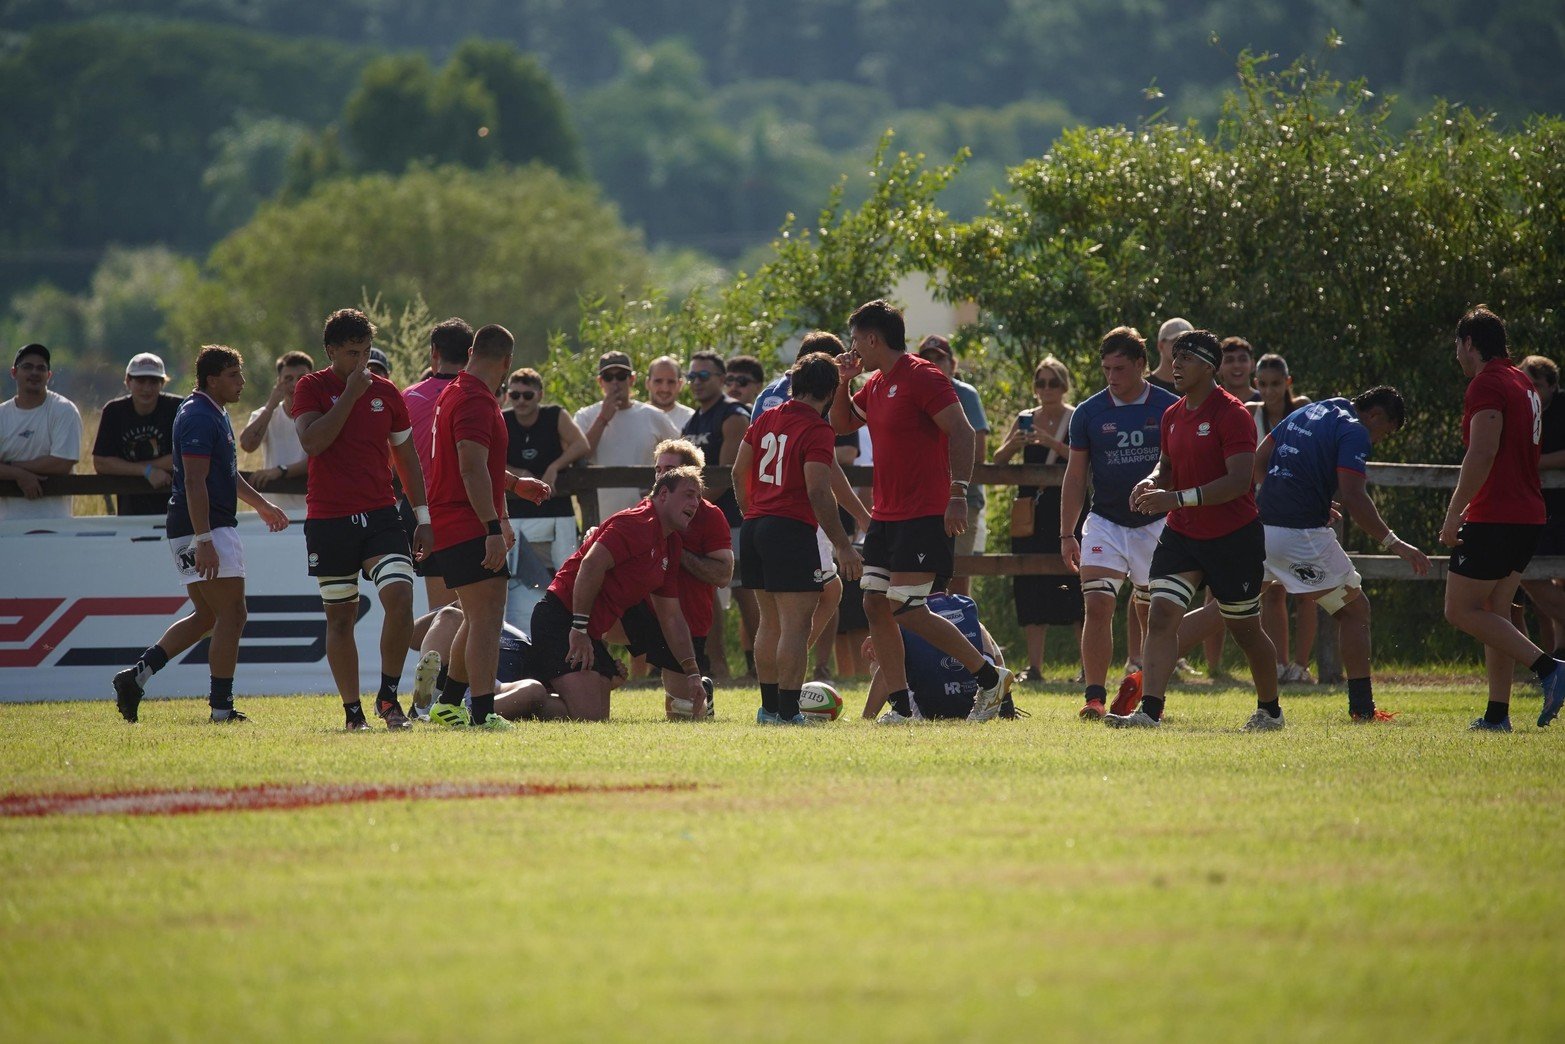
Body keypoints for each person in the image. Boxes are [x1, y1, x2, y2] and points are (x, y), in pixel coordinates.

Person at [1117, 387, 1433, 723]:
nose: (1380, 439)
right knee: (1355, 611)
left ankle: (1143, 681)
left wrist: (1295, 495)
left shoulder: (1310, 411)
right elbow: (1354, 496)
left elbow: (1259, 460)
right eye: (1385, 433)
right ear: (1376, 416)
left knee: (1221, 613)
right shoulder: (1355, 430)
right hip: (1299, 535)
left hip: (1260, 527)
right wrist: (1394, 543)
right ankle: (1362, 710)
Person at [829, 298, 1011, 722]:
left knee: (906, 608)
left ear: (873, 339)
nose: (852, 348)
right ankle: (901, 706)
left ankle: (988, 677)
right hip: (886, 516)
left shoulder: (922, 376)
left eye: (855, 340)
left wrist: (958, 493)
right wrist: (844, 381)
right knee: (874, 603)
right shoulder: (874, 384)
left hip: (924, 514)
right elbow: (840, 424)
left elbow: (963, 432)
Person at [1105, 328, 1283, 731]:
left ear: (1208, 365)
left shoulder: (1232, 413)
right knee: (1162, 615)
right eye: (1174, 357)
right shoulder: (1172, 413)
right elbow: (1166, 468)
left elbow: (1239, 481)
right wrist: (1151, 481)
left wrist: (1177, 498)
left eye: (1185, 358)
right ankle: (1150, 711)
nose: (1175, 365)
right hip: (1184, 532)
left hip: (1233, 537)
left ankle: (1270, 710)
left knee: (1246, 630)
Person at [112, 345, 289, 723]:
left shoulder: (212, 411)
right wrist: (205, 539)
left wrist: (260, 504)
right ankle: (221, 708)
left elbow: (224, 473)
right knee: (234, 613)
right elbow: (193, 481)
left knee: (208, 615)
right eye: (234, 375)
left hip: (195, 525)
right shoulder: (198, 416)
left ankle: (136, 676)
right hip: (205, 526)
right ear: (212, 379)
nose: (242, 382)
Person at [293, 308, 433, 731]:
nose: (361, 361)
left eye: (367, 351)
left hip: (380, 516)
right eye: (353, 353)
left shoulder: (388, 393)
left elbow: (406, 457)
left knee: (401, 598)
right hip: (329, 520)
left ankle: (389, 698)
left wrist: (422, 516)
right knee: (340, 618)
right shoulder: (310, 387)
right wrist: (351, 394)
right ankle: (353, 712)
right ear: (331, 351)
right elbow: (313, 442)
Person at [1441, 306, 1565, 731]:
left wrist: (1455, 513)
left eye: (1457, 345)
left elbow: (1482, 452)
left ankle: (1550, 668)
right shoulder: (1521, 382)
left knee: (1460, 610)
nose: (1456, 355)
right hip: (1528, 514)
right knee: (1496, 610)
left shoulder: (1487, 383)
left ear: (1469, 343)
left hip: (1497, 514)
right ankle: (1497, 715)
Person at [424, 324, 550, 731]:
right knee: (487, 618)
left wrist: (515, 484)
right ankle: (481, 712)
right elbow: (470, 466)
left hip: (456, 520)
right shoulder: (476, 399)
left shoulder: (457, 390)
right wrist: (492, 526)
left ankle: (447, 703)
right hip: (467, 522)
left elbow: (482, 463)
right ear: (508, 362)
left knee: (476, 615)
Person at [514, 467, 709, 721]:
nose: (695, 503)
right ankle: (518, 699)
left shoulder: (670, 544)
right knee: (589, 716)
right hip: (560, 618)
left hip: (585, 629)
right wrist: (580, 628)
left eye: (698, 497)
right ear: (663, 494)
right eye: (689, 494)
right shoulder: (636, 522)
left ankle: (539, 687)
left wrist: (693, 672)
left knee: (600, 705)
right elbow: (590, 565)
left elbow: (671, 616)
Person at [733, 352, 863, 724]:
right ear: (829, 391)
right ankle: (788, 713)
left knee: (768, 622)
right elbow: (818, 491)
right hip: (789, 528)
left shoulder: (765, 418)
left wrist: (751, 512)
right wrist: (842, 544)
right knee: (795, 625)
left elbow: (738, 470)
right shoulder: (818, 429)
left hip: (756, 526)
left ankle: (769, 708)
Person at [1057, 327, 1179, 718]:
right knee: (1097, 603)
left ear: (1142, 365)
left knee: (1152, 612)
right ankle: (1093, 697)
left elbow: (1181, 466)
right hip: (1105, 522)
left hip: (1155, 522)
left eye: (1120, 368)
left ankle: (1144, 690)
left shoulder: (1168, 407)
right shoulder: (1089, 412)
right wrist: (1066, 533)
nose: (1112, 377)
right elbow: (1076, 477)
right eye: (1106, 368)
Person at [604, 439, 731, 718]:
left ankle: (702, 689)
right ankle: (591, 675)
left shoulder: (710, 515)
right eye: (658, 469)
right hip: (646, 613)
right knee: (585, 615)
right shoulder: (645, 510)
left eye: (670, 469)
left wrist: (675, 549)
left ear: (691, 476)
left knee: (682, 713)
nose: (661, 476)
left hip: (685, 622)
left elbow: (724, 574)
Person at [993, 356, 1083, 682]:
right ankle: (1035, 667)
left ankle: (1088, 666)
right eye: (1041, 382)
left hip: (1065, 511)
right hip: (1030, 512)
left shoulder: (1076, 417)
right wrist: (1014, 443)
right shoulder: (1024, 419)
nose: (1047, 389)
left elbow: (1083, 460)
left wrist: (1050, 443)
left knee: (1076, 584)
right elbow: (997, 460)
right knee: (1029, 585)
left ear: (1064, 385)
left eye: (1054, 382)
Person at [682, 349, 755, 678]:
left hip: (733, 518)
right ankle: (717, 667)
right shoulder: (694, 419)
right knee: (706, 593)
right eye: (691, 376)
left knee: (745, 591)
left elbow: (726, 476)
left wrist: (685, 506)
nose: (696, 382)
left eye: (703, 376)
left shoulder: (734, 415)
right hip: (700, 518)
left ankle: (759, 667)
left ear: (723, 380)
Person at [1249, 352, 1318, 683]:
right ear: (1255, 385)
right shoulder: (1252, 415)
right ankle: (1278, 662)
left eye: (1276, 384)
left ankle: (1301, 666)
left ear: (1288, 383)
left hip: (1301, 510)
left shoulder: (1303, 410)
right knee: (1271, 590)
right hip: (1264, 512)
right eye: (1263, 384)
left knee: (1307, 588)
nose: (1270, 391)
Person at [402, 317, 474, 610]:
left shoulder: (407, 396)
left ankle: (424, 652)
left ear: (434, 352)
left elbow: (389, 461)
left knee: (442, 612)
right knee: (465, 614)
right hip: (464, 510)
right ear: (471, 354)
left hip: (420, 510)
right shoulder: (477, 396)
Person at [860, 589, 1009, 721]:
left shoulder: (904, 613)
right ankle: (1004, 701)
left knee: (882, 656)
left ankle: (900, 711)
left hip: (929, 711)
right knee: (982, 630)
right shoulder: (965, 604)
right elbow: (991, 656)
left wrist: (866, 718)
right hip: (978, 702)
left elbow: (886, 670)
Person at [916, 335, 989, 597]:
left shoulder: (964, 395)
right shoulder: (913, 393)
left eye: (939, 358)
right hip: (922, 499)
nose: (933, 363)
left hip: (963, 497)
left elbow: (978, 451)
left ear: (953, 364)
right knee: (922, 575)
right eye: (927, 358)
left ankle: (963, 634)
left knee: (957, 574)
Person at [574, 350, 682, 519]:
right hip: (600, 518)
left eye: (621, 376)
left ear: (632, 379)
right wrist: (603, 418)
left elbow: (683, 457)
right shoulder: (586, 416)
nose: (615, 382)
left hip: (649, 517)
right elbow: (579, 454)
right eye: (609, 377)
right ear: (600, 382)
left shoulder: (654, 415)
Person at [504, 367, 588, 574]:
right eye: (514, 395)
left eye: (527, 395)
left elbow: (581, 445)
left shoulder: (555, 415)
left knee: (566, 573)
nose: (521, 400)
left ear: (540, 395)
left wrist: (555, 466)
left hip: (557, 509)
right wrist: (516, 472)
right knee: (511, 578)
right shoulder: (502, 419)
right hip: (516, 513)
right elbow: (487, 457)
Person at [1517, 355, 1565, 657]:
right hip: (1536, 506)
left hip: (1560, 507)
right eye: (1525, 384)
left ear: (1552, 385)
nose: (1530, 390)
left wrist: (1532, 463)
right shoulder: (1521, 409)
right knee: (1528, 570)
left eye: (1535, 384)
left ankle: (1560, 653)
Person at [91, 352, 180, 516]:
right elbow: (101, 462)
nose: (147, 388)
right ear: (128, 381)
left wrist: (130, 467)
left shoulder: (178, 408)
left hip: (176, 509)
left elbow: (185, 457)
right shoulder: (114, 411)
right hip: (129, 511)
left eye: (153, 381)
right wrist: (146, 471)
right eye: (140, 381)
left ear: (162, 383)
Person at [0, 343, 81, 520]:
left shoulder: (64, 410)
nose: (34, 373)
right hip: (6, 528)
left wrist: (11, 466)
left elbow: (62, 462)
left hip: (54, 524)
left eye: (41, 368)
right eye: (27, 367)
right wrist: (19, 475)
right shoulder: (2, 415)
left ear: (48, 376)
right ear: (14, 372)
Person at [238, 350, 313, 514]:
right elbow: (247, 445)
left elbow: (320, 458)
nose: (295, 384)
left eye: (302, 378)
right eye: (288, 379)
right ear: (278, 382)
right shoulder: (266, 415)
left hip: (311, 511)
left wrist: (280, 471)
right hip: (275, 513)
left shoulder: (321, 415)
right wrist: (270, 406)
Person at [645, 355, 694, 428]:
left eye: (671, 382)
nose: (665, 389)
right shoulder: (636, 417)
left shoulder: (691, 420)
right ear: (647, 383)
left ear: (680, 384)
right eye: (658, 381)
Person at [1146, 318, 1191, 392]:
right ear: (1161, 346)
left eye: (1188, 343)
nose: (1183, 348)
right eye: (1176, 341)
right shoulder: (1143, 386)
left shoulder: (1195, 388)